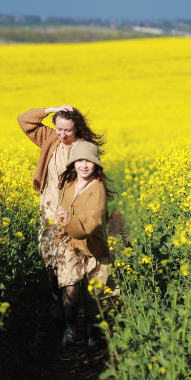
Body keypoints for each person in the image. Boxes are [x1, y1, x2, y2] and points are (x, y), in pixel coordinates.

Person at [17, 106, 104, 321]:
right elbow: (24, 120)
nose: (62, 135)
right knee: (49, 255)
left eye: (68, 131)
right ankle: (58, 295)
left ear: (77, 129)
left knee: (72, 256)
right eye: (59, 129)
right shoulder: (50, 139)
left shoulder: (83, 148)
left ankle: (78, 308)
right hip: (49, 206)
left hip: (71, 208)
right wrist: (50, 109)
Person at [56, 140, 118, 350]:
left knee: (94, 297)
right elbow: (61, 212)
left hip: (93, 248)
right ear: (73, 163)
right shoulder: (69, 184)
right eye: (79, 160)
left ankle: (93, 334)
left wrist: (67, 221)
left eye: (89, 161)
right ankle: (71, 329)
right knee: (69, 288)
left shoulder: (97, 189)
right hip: (70, 245)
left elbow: (91, 224)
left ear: (96, 164)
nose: (84, 165)